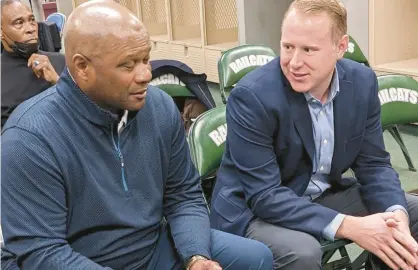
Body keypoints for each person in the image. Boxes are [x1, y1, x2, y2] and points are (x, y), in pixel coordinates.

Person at [0, 1, 273, 269]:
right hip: (85, 259)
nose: (146, 74)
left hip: (154, 246)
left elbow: (183, 193)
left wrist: (195, 256)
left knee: (257, 257)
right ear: (82, 67)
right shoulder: (29, 139)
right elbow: (42, 251)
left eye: (146, 58)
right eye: (128, 65)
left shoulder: (159, 106)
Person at [209, 0, 418, 269]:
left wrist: (395, 213)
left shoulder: (362, 82)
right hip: (253, 209)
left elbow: (374, 165)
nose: (294, 62)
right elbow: (265, 196)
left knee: (407, 213)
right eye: (287, 47)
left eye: (308, 50)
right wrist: (350, 226)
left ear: (340, 47)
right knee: (303, 252)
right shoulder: (253, 96)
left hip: (323, 193)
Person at [1, 0, 66, 128]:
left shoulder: (60, 62)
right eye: (19, 23)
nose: (31, 29)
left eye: (32, 20)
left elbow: (85, 111)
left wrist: (57, 81)